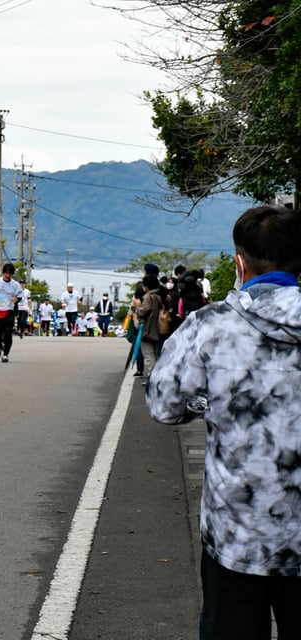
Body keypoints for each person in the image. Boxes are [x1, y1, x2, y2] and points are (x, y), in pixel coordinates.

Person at [146, 204, 301, 639]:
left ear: (240, 262)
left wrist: (212, 400)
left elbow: (164, 405)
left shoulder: (209, 326)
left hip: (237, 532)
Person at [0, 262, 23, 363]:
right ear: (3, 273)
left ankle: (6, 354)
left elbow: (20, 295)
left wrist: (17, 300)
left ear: (12, 274)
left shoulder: (15, 285)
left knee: (8, 334)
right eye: (6, 273)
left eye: (10, 273)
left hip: (8, 311)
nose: (7, 275)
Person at [134, 273, 164, 381]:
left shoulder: (148, 297)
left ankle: (154, 378)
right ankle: (159, 376)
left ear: (146, 286)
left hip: (148, 328)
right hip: (160, 327)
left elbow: (143, 312)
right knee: (156, 353)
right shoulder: (162, 295)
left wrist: (137, 307)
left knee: (148, 354)